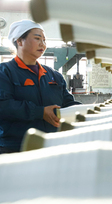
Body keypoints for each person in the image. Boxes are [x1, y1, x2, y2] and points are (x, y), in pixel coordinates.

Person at [0, 19, 81, 154]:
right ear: (19, 41)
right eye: (37, 38)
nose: (42, 44)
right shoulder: (5, 72)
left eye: (44, 40)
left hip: (50, 145)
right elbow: (3, 106)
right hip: (15, 147)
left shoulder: (53, 75)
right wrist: (40, 112)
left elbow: (68, 104)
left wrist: (94, 110)